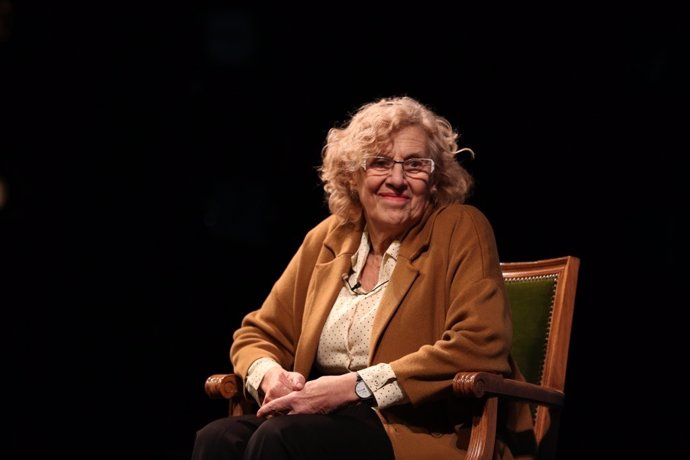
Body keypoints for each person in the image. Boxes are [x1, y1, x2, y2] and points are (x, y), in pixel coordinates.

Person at [191, 96, 536, 460]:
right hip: (323, 424)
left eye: (415, 165)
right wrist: (269, 376)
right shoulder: (330, 237)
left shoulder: (461, 228)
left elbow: (480, 344)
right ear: (352, 176)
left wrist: (353, 387)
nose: (398, 179)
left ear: (435, 179)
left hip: (421, 431)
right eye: (380, 163)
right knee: (219, 438)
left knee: (283, 438)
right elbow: (258, 333)